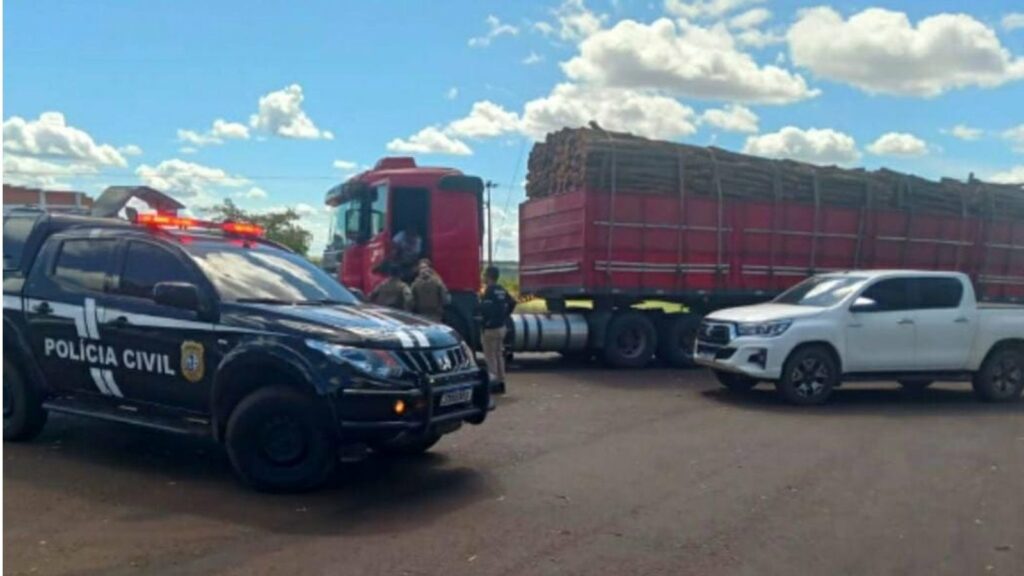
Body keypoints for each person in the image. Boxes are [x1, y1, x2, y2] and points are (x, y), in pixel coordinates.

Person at [479, 265, 516, 394]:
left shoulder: (489, 291)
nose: (483, 277)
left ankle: (493, 383)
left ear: (489, 276)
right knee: (499, 355)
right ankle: (501, 382)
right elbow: (512, 302)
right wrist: (505, 315)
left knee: (490, 357)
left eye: (484, 275)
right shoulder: (501, 289)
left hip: (490, 328)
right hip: (501, 327)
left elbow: (485, 309)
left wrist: (485, 320)